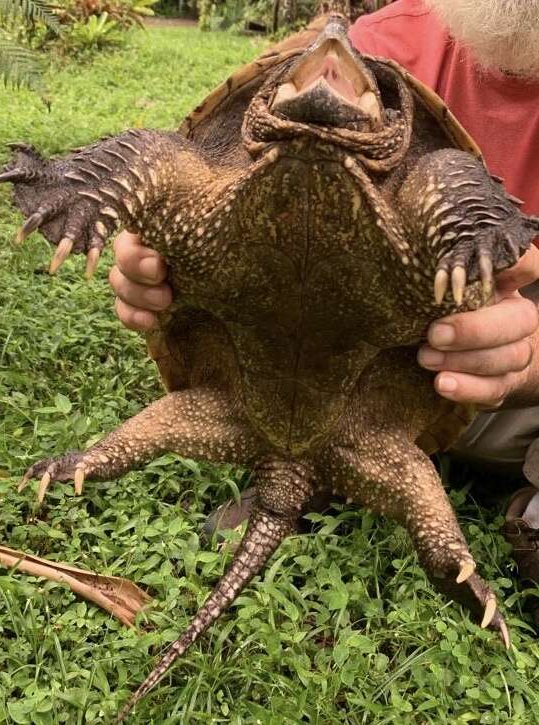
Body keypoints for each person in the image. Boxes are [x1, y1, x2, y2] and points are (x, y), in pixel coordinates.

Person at [108, 0, 539, 603]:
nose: (332, 65)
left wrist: (524, 351)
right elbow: (164, 158)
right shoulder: (385, 46)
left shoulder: (439, 175)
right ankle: (323, 466)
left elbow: (453, 183)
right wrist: (137, 229)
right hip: (301, 376)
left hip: (484, 392)